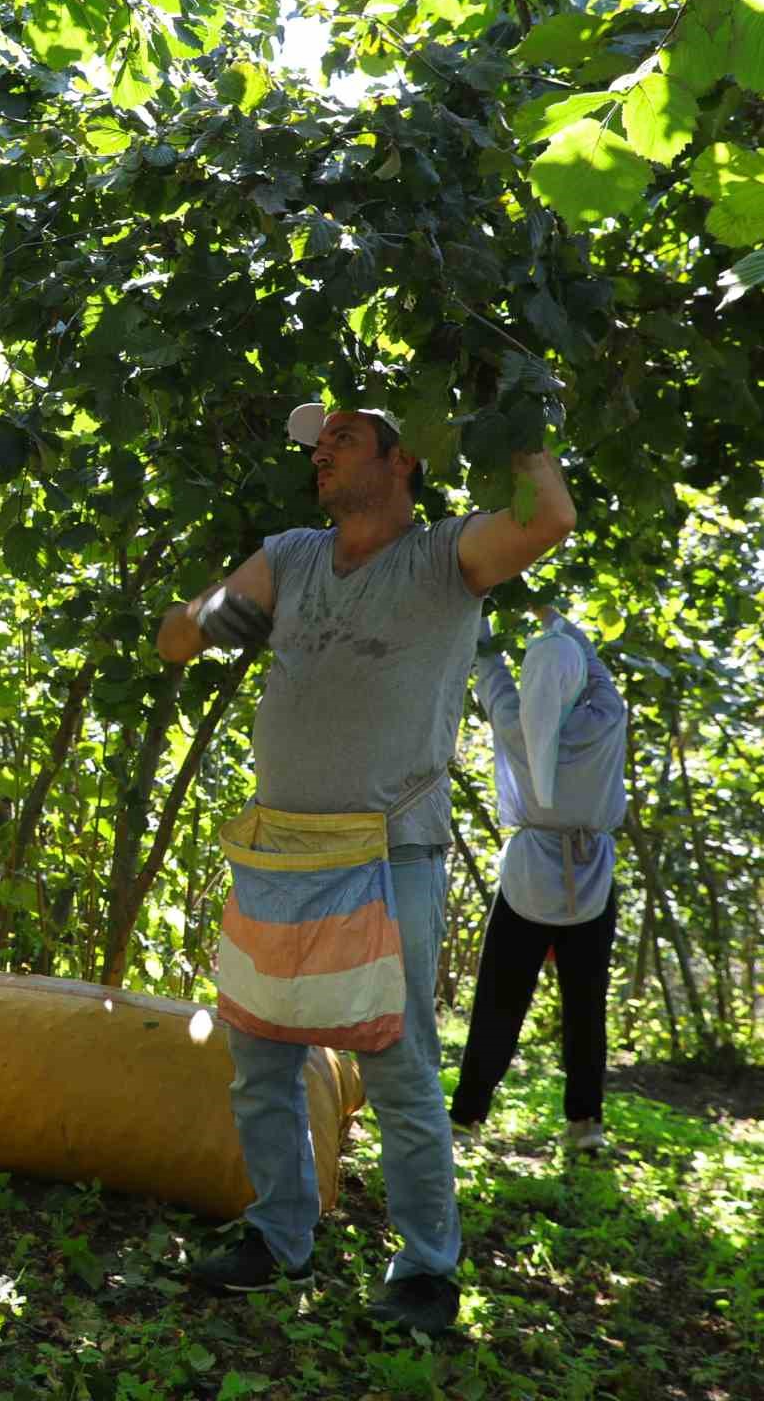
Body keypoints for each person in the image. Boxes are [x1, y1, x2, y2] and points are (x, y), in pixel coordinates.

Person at [156, 403, 576, 1335]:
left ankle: (426, 1272)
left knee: (396, 1065)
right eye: (318, 441)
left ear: (403, 457)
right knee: (260, 1054)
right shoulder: (295, 553)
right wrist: (202, 619)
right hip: (278, 851)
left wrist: (510, 407)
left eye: (345, 437)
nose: (323, 453)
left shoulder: (444, 556)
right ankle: (277, 1241)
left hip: (388, 854)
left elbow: (547, 519)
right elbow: (177, 637)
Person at [450, 604, 626, 1153]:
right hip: (591, 875)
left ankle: (466, 1116)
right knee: (585, 1005)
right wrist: (557, 623)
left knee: (499, 1002)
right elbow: (594, 670)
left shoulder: (512, 720)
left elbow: (486, 664)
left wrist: (477, 602)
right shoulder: (605, 719)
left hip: (529, 877)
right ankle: (585, 1124)